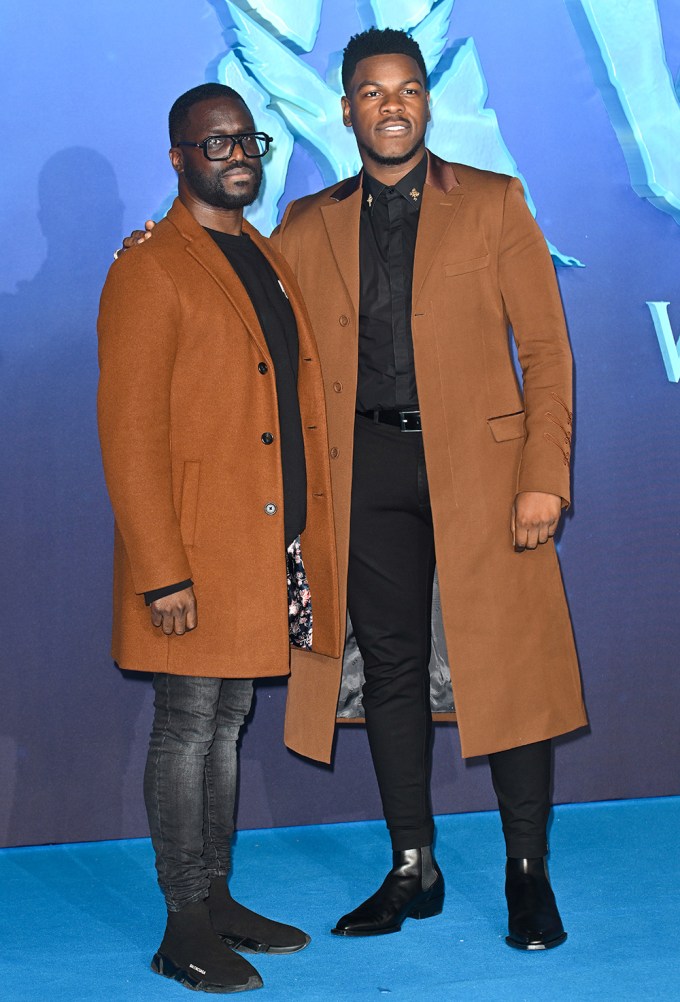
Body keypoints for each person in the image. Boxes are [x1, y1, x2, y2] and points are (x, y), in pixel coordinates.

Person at [122, 28, 587, 952]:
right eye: (372, 92)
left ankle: (526, 872)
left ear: (427, 101)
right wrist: (151, 237)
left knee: (513, 666)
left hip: (487, 474)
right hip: (364, 474)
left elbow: (545, 351)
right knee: (392, 667)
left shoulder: (497, 203)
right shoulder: (306, 223)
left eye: (407, 89)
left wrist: (545, 477)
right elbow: (229, 266)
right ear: (346, 110)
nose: (392, 106)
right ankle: (413, 864)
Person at [98, 82, 340, 993]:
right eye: (215, 143)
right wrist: (162, 573)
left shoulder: (262, 253)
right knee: (189, 726)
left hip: (262, 542)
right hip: (194, 555)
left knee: (229, 724)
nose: (236, 154)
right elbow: (128, 434)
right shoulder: (149, 266)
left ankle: (217, 896)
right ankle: (182, 923)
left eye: (247, 140)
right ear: (177, 157)